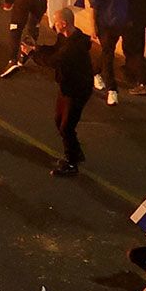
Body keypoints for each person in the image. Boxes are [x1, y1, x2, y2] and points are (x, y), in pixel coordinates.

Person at [49, 11, 96, 178]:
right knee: (59, 120)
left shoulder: (73, 47)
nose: (53, 24)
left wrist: (33, 54)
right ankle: (76, 152)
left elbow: (55, 60)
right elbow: (54, 51)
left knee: (66, 126)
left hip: (77, 90)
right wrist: (36, 49)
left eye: (55, 22)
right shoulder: (65, 39)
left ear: (63, 23)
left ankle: (72, 163)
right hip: (67, 86)